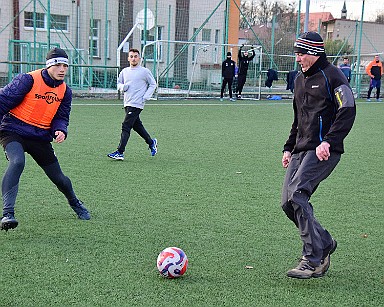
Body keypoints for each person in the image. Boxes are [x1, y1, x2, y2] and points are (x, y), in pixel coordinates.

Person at [281, 32, 356, 279]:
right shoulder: (300, 80)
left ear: (313, 52)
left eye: (301, 54)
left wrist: (329, 141)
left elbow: (348, 109)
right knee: (287, 202)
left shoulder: (333, 76)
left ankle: (313, 259)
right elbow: (298, 119)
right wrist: (288, 147)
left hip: (323, 150)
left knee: (299, 194)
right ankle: (324, 242)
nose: (298, 59)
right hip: (300, 150)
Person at [0, 47, 91, 231]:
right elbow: (3, 101)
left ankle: (75, 203)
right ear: (49, 66)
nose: (62, 69)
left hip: (40, 137)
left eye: (65, 65)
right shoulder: (28, 80)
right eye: (58, 65)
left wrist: (60, 130)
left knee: (58, 177)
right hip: (13, 130)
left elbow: (62, 116)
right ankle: (7, 214)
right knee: (17, 162)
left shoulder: (65, 91)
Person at [107, 48, 158, 161]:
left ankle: (120, 151)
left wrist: (146, 96)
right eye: (131, 56)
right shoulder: (124, 71)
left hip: (137, 103)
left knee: (126, 126)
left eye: (136, 56)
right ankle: (151, 142)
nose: (133, 58)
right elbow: (119, 83)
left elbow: (153, 84)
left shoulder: (144, 71)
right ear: (128, 58)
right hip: (127, 102)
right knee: (137, 126)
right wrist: (122, 87)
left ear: (139, 58)